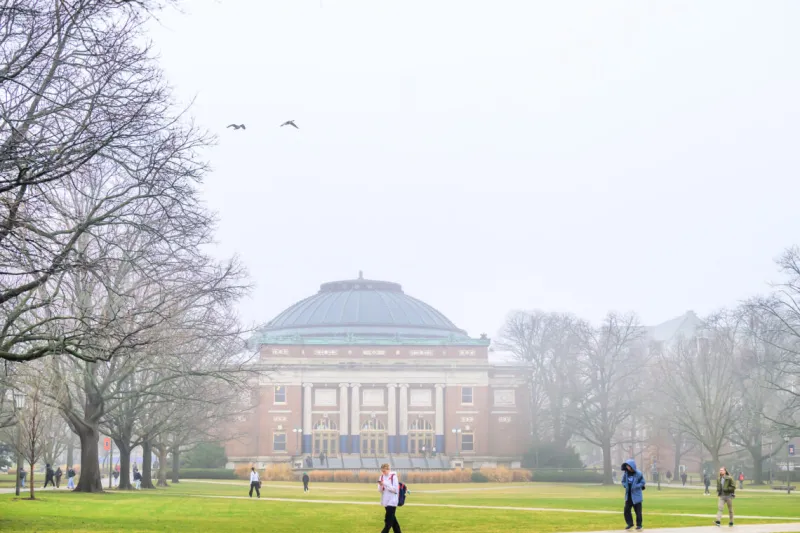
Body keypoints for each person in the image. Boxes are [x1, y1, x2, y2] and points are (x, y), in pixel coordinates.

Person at [621, 459, 645, 531]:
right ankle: (630, 524)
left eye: (628, 466)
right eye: (627, 466)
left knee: (638, 512)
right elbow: (623, 481)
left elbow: (643, 482)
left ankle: (639, 526)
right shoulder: (626, 474)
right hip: (628, 496)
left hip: (636, 496)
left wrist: (636, 486)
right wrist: (625, 485)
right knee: (626, 511)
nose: (627, 467)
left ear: (632, 466)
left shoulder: (639, 474)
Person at [378, 463, 402, 533]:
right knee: (393, 519)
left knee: (388, 520)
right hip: (385, 500)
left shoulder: (393, 477)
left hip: (392, 501)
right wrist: (380, 485)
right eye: (382, 471)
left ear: (388, 470)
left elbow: (395, 490)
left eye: (384, 471)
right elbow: (380, 490)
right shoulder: (381, 477)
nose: (383, 473)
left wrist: (385, 484)